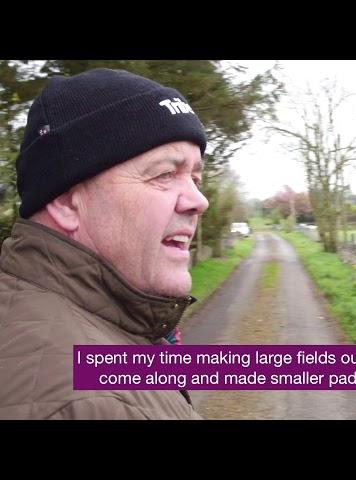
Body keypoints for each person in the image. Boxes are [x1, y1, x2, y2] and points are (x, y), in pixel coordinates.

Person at [0, 68, 209, 419]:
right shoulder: (87, 404)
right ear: (67, 202)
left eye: (195, 176)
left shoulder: (109, 323)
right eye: (163, 174)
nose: (198, 200)